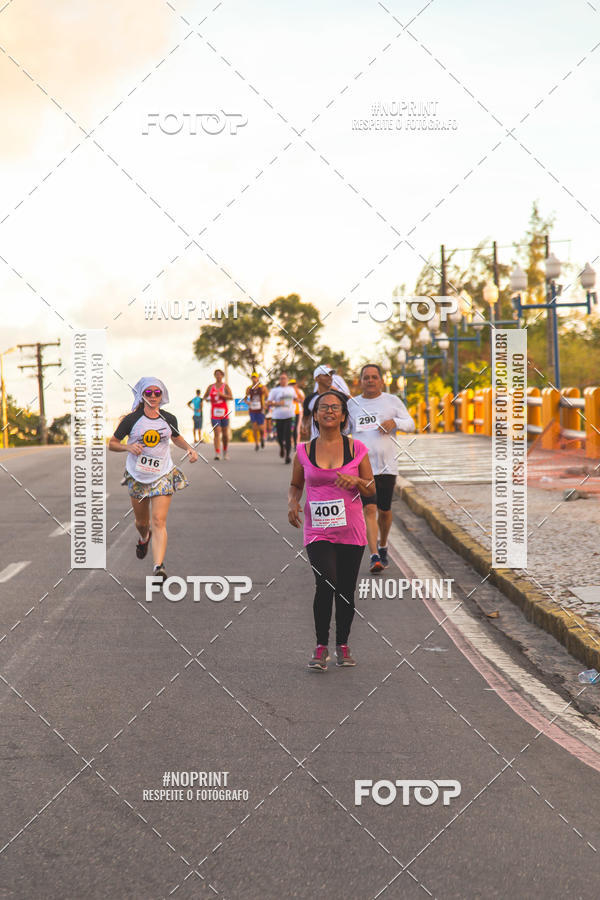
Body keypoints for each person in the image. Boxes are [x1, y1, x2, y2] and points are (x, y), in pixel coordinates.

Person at [288, 390, 375, 671]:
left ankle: (343, 644)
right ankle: (321, 646)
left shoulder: (356, 448)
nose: (329, 411)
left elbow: (372, 487)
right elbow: (296, 485)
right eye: (323, 407)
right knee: (326, 580)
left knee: (346, 589)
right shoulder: (303, 450)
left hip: (351, 529)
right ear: (315, 414)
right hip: (318, 529)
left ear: (343, 416)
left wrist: (357, 481)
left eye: (335, 407)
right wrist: (292, 502)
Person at [108, 377, 198, 581]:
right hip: (138, 476)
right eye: (149, 393)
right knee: (142, 522)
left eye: (157, 393)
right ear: (141, 395)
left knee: (159, 520)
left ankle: (159, 567)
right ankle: (143, 537)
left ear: (162, 395)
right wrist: (128, 446)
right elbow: (112, 443)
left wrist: (190, 449)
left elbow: (176, 437)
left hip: (162, 475)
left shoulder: (168, 418)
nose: (154, 397)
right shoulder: (131, 420)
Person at [347, 364, 415, 574]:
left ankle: (383, 545)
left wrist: (393, 421)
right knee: (369, 508)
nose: (370, 380)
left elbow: (411, 424)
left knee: (384, 511)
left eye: (374, 377)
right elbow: (344, 430)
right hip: (363, 467)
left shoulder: (392, 401)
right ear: (360, 381)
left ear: (381, 381)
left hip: (387, 467)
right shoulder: (352, 405)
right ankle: (375, 555)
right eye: (366, 377)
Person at [301, 364, 350, 442]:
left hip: (338, 443)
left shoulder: (341, 397)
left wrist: (345, 428)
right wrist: (304, 426)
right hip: (316, 442)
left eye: (330, 375)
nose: (330, 378)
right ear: (317, 379)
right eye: (326, 375)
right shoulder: (309, 399)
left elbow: (349, 414)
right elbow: (306, 416)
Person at [267, 373, 302, 464]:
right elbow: (268, 402)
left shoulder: (291, 389)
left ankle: (287, 456)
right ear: (279, 380)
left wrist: (298, 399)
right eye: (281, 378)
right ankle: (282, 447)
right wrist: (278, 403)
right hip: (277, 416)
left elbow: (297, 399)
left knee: (288, 436)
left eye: (285, 378)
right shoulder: (275, 390)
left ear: (287, 380)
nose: (283, 380)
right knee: (278, 436)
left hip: (290, 416)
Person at [203, 369, 232, 461]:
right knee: (217, 432)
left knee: (225, 434)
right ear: (214, 376)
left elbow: (231, 397)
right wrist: (207, 399)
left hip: (224, 413)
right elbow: (204, 397)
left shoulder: (225, 386)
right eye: (216, 375)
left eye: (220, 375)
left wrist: (223, 395)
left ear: (222, 376)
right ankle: (217, 453)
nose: (218, 376)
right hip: (214, 414)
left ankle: (225, 451)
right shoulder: (211, 387)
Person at [244, 372, 268, 451]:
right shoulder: (249, 388)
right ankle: (257, 443)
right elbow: (245, 399)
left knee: (261, 427)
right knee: (254, 427)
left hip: (260, 410)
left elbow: (268, 397)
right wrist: (248, 402)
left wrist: (266, 405)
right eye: (253, 378)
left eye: (255, 377)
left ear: (258, 379)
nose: (254, 379)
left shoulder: (262, 388)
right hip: (252, 410)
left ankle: (262, 438)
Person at [289, 378, 305, 449]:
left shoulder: (299, 391)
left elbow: (302, 400)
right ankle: (289, 442)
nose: (292, 386)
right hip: (288, 412)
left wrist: (296, 391)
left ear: (296, 385)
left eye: (293, 384)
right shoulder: (287, 392)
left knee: (296, 428)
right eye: (291, 384)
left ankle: (296, 443)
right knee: (290, 427)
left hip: (298, 411)